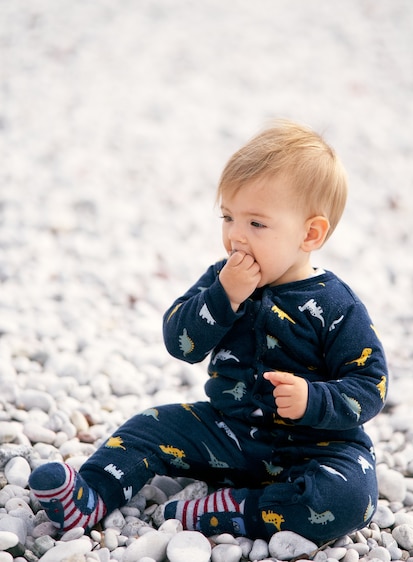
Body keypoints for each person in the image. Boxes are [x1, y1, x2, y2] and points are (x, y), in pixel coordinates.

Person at [29, 119, 388, 544]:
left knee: (352, 498)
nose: (235, 235)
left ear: (310, 233)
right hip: (228, 431)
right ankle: (89, 496)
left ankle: (234, 511)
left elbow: (371, 384)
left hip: (317, 447)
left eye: (256, 224)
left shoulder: (336, 305)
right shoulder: (224, 280)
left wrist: (314, 400)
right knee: (147, 427)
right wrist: (223, 298)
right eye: (228, 216)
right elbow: (179, 342)